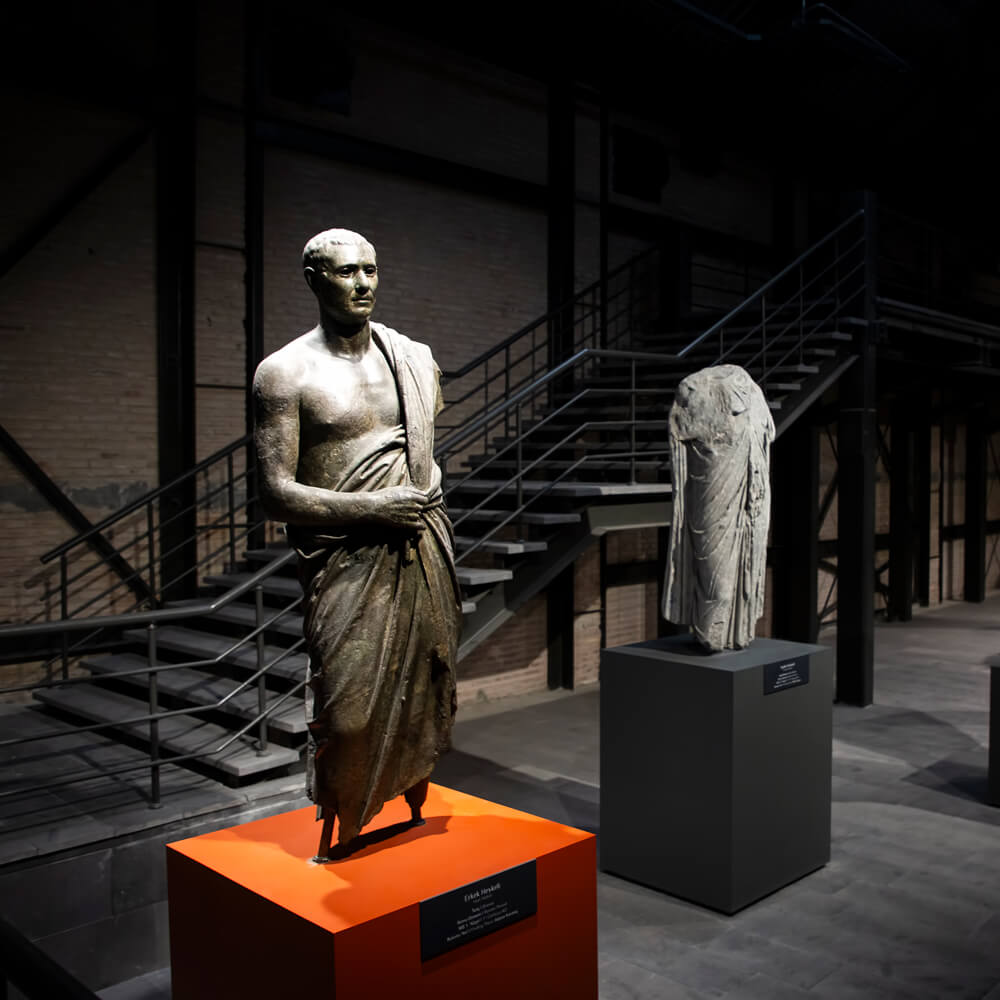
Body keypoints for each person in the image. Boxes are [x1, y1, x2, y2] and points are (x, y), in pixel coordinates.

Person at [252, 228, 462, 860]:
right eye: (347, 272)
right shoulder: (283, 374)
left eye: (371, 270)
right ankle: (345, 812)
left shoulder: (412, 358)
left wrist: (418, 492)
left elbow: (420, 451)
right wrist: (373, 507)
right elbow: (274, 493)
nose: (363, 283)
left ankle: (411, 789)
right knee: (346, 714)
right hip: (346, 558)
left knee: (427, 685)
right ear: (314, 279)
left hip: (420, 544)